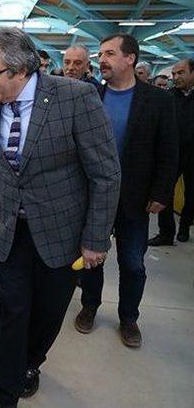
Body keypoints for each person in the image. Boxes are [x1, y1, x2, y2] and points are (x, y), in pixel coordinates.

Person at [0, 27, 121, 408]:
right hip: (9, 227)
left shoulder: (75, 98)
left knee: (48, 311)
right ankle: (4, 392)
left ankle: (31, 362)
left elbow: (105, 173)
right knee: (12, 309)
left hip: (61, 230)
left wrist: (95, 238)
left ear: (21, 70)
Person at [75, 34, 178, 348]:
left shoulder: (158, 100)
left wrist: (162, 192)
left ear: (130, 58)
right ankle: (90, 306)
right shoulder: (92, 95)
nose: (101, 60)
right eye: (100, 54)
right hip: (94, 197)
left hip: (136, 196)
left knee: (133, 262)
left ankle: (128, 317)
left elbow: (169, 150)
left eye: (109, 53)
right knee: (92, 258)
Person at [148, 58, 194, 244]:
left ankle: (184, 228)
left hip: (193, 155)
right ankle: (166, 233)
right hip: (171, 154)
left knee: (191, 194)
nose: (175, 77)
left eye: (180, 73)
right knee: (163, 192)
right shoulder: (168, 97)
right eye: (174, 74)